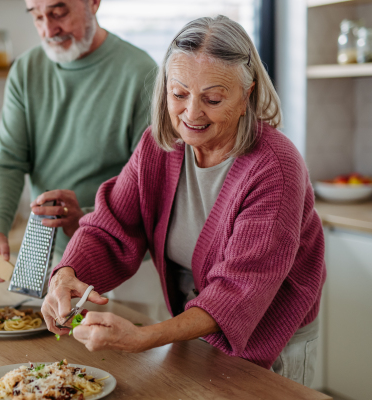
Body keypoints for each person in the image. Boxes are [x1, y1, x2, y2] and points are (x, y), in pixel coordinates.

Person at [42, 15, 326, 387]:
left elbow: (238, 289)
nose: (192, 114)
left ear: (247, 96)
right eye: (179, 94)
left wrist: (144, 337)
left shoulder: (275, 167)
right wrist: (66, 276)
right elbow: (111, 228)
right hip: (199, 333)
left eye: (212, 98)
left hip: (272, 342)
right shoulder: (159, 147)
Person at [0, 0, 156, 283]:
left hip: (124, 260)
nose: (49, 30)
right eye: (37, 17)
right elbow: (8, 162)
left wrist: (85, 218)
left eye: (59, 13)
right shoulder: (25, 72)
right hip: (49, 252)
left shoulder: (142, 73)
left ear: (94, 3)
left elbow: (148, 188)